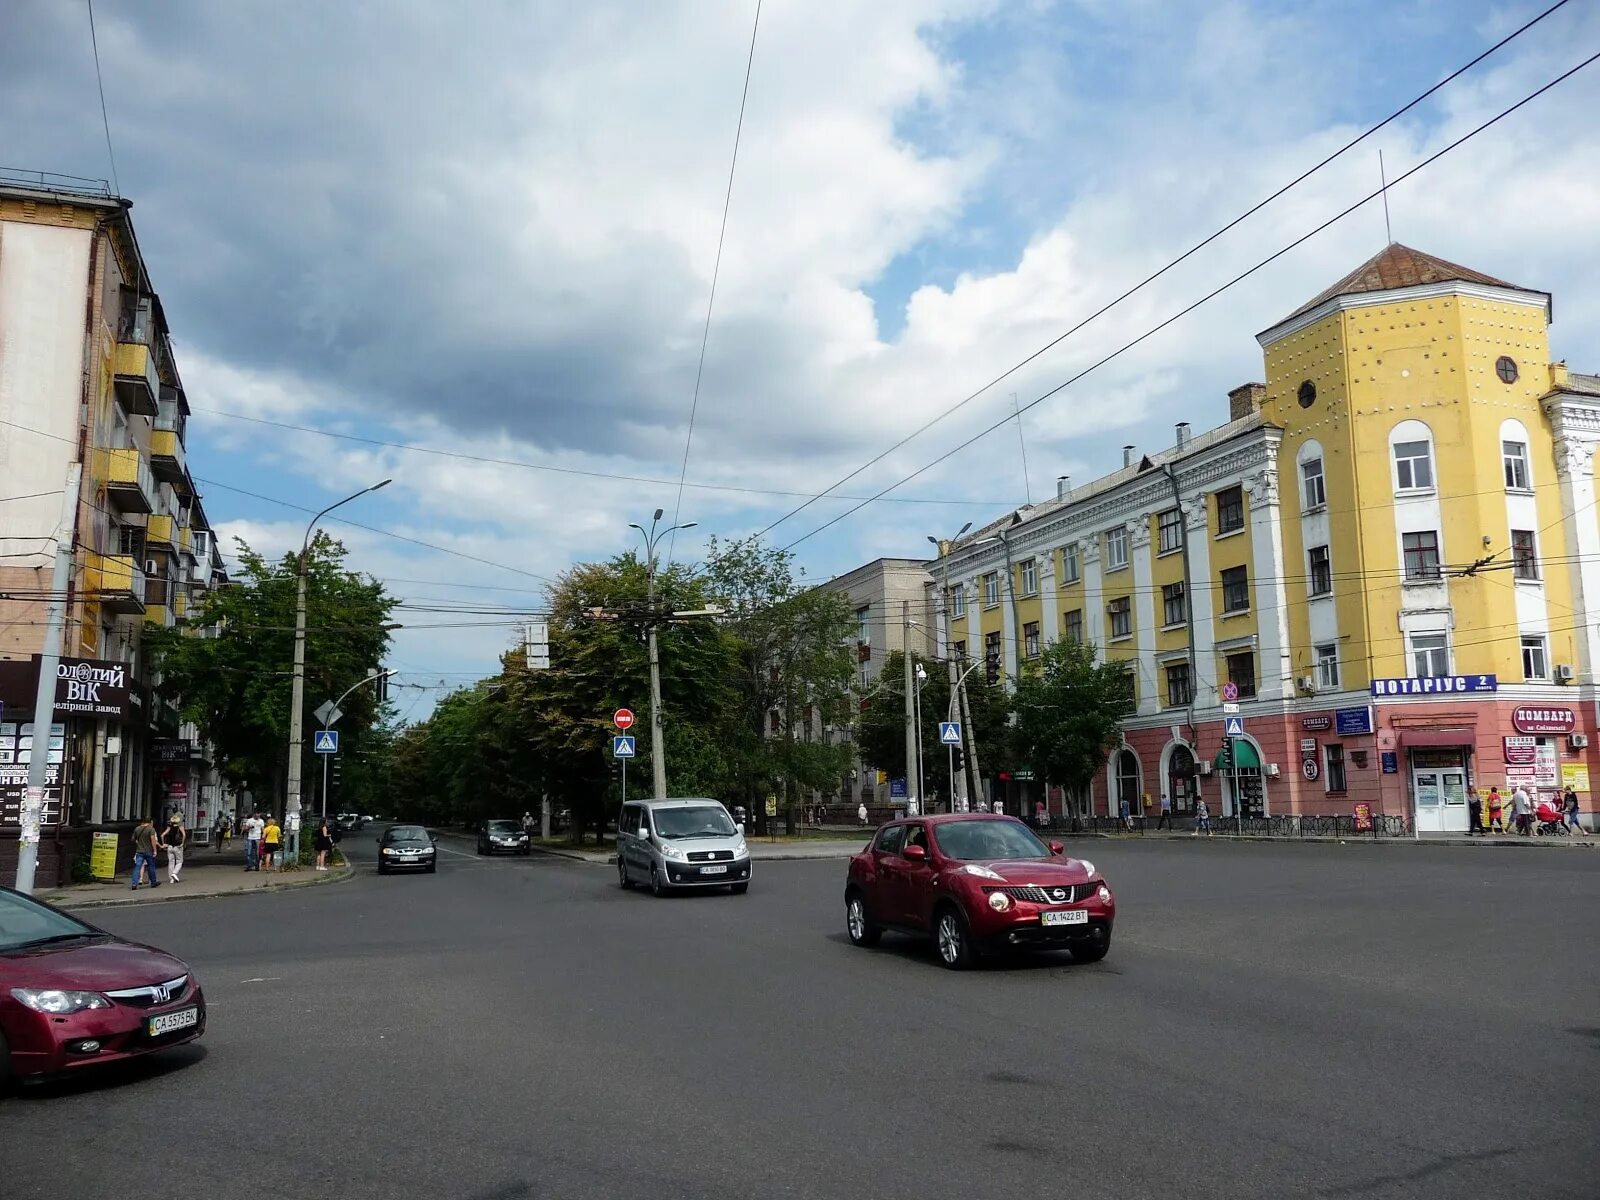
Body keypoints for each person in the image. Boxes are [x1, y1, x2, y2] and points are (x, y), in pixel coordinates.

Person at [130, 817, 161, 890]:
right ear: (150, 822)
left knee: (137, 867)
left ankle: (134, 884)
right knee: (151, 867)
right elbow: (153, 840)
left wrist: (138, 843)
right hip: (149, 851)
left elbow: (133, 839)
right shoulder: (151, 829)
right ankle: (153, 882)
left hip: (139, 851)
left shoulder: (137, 829)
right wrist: (155, 850)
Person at [161, 813, 187, 883]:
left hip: (170, 847)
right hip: (177, 846)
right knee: (179, 861)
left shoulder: (169, 826)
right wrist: (182, 843)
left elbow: (162, 835)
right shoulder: (180, 826)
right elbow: (184, 835)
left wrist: (164, 844)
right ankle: (174, 873)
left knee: (171, 862)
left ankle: (171, 879)